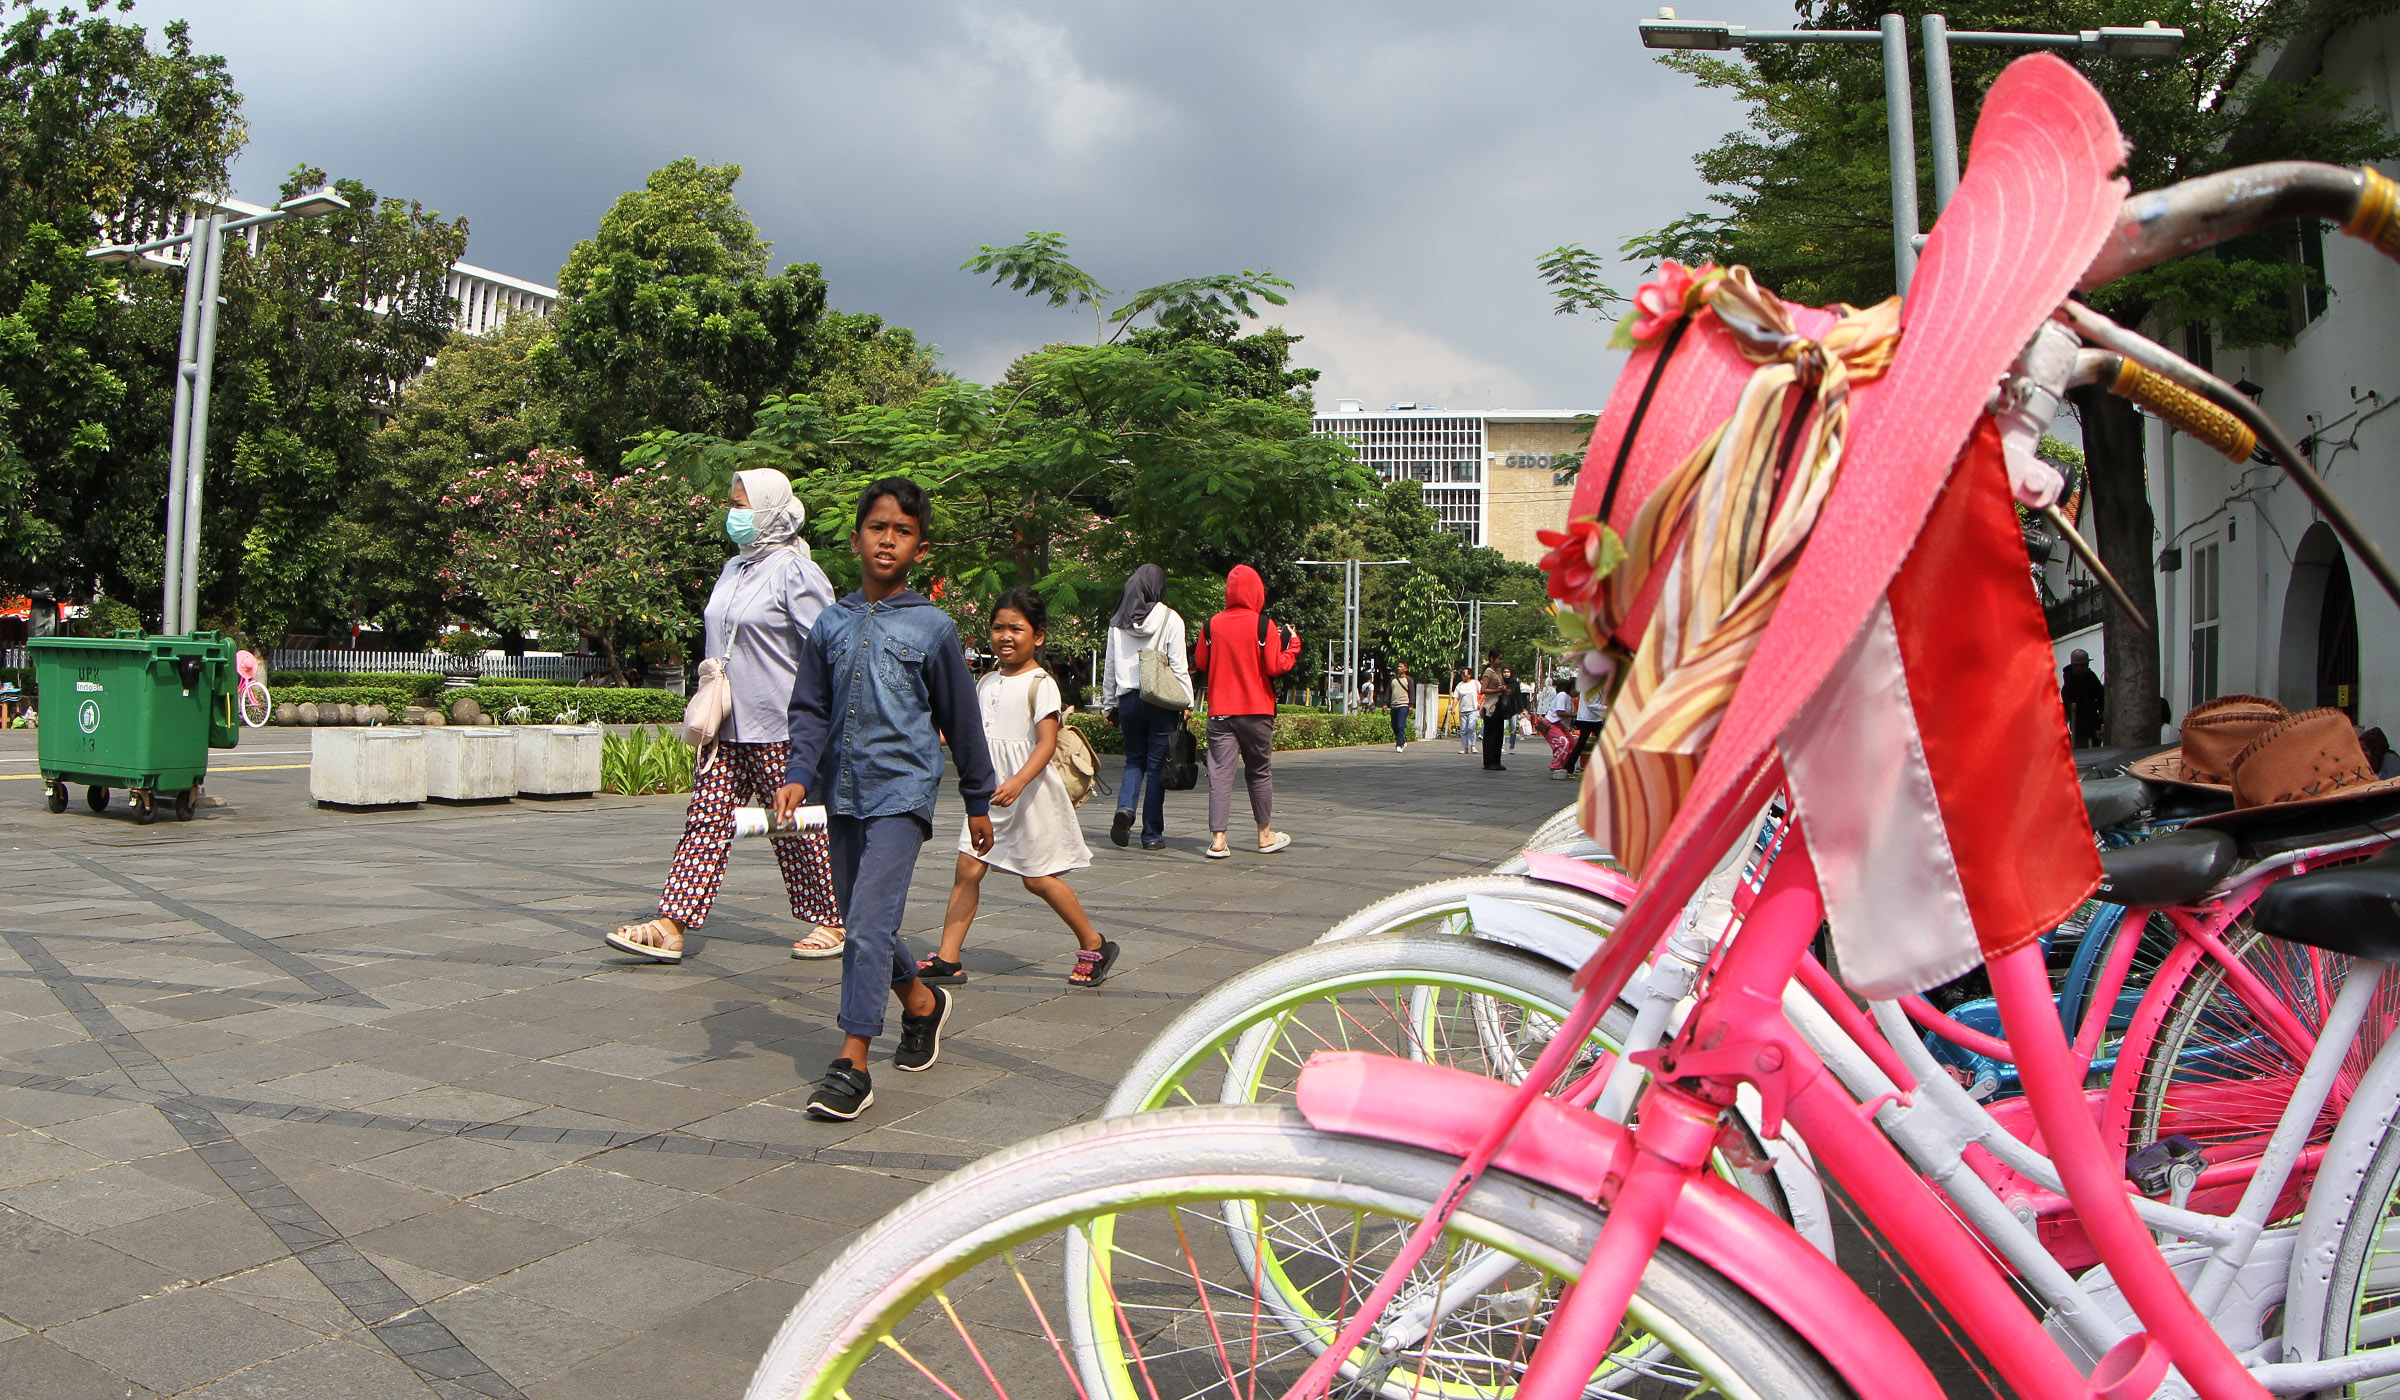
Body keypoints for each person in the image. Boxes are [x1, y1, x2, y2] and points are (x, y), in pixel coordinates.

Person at [775, 478, 998, 1122]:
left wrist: (978, 800)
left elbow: (962, 720)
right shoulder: (830, 623)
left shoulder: (933, 627)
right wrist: (798, 772)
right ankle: (923, 1005)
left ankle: (852, 1064)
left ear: (918, 549)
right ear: (855, 539)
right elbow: (810, 709)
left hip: (903, 793)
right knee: (862, 921)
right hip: (841, 793)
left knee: (868, 926)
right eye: (878, 527)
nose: (887, 540)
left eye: (902, 531)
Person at [608, 468, 841, 966]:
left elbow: (830, 649)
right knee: (705, 822)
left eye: (741, 505)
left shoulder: (795, 572)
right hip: (725, 725)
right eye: (732, 504)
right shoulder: (734, 567)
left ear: (771, 511)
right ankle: (671, 926)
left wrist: (826, 721)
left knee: (793, 828)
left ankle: (835, 917)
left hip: (780, 724)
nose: (733, 514)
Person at [918, 589, 1114, 989]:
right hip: (988, 794)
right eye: (997, 628)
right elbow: (972, 731)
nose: (1005, 636)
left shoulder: (1041, 683)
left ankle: (1094, 942)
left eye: (1016, 629)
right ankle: (949, 959)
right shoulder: (986, 681)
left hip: (1028, 797)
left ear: (1037, 636)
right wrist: (926, 736)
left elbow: (1046, 743)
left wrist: (1019, 781)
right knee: (968, 870)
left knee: (1037, 878)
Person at [1191, 563, 1300, 858]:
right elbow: (1276, 666)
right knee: (1259, 772)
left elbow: (1201, 662)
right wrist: (1292, 645)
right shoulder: (1264, 625)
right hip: (1257, 711)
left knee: (1220, 774)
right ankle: (1265, 836)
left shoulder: (1211, 625)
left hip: (1220, 711)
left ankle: (1218, 840)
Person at [1100, 564, 1189, 852]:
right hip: (1161, 702)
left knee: (1134, 761)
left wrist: (1109, 704)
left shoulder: (1117, 622)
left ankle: (1125, 808)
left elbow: (1110, 668)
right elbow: (1178, 666)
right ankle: (1151, 834)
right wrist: (1186, 701)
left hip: (1128, 701)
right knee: (1155, 767)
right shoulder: (1171, 619)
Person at [2061, 649, 2105, 748]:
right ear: (2075, 666)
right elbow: (2076, 716)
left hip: (2095, 724)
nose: (2086, 668)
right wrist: (2092, 731)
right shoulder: (2068, 688)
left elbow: (2101, 696)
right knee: (2083, 752)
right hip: (2080, 731)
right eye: (2083, 666)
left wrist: (2102, 717)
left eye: (2086, 665)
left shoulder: (2090, 677)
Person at [1542, 676, 1580, 778]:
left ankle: (1566, 765)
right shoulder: (1562, 696)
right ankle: (1556, 766)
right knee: (1563, 742)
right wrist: (1575, 715)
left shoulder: (1570, 699)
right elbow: (1560, 713)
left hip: (1561, 726)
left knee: (1573, 744)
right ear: (1573, 687)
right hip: (1551, 723)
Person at [1479, 650, 1510, 771]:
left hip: (1499, 706)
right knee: (1490, 735)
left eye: (1502, 659)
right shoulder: (1488, 672)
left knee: (1498, 735)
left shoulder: (1498, 672)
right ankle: (1489, 761)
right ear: (1492, 659)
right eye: (1499, 659)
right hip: (1491, 706)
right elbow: (1483, 689)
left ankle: (1497, 760)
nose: (1501, 661)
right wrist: (1498, 690)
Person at [1568, 683, 1607, 775]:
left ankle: (1569, 766)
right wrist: (1607, 708)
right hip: (1589, 719)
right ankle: (1569, 766)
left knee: (1581, 743)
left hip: (1592, 718)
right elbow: (1591, 705)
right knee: (1583, 743)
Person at [1454, 668, 1481, 754]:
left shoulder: (1475, 683)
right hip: (1463, 710)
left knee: (1471, 727)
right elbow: (1456, 697)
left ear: (1469, 675)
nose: (1462, 675)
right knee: (1463, 730)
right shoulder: (1460, 685)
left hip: (1473, 709)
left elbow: (1482, 693)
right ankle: (1465, 748)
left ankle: (1473, 745)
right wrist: (1453, 707)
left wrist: (1480, 703)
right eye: (1462, 674)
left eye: (1464, 673)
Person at [1388, 662, 1414, 752]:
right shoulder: (1393, 679)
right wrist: (1385, 703)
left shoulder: (1408, 680)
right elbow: (1388, 691)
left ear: (1406, 669)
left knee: (1400, 725)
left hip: (1403, 705)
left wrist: (1411, 705)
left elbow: (1412, 692)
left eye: (1401, 667)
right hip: (1394, 705)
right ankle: (1402, 741)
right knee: (1394, 725)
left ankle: (1399, 744)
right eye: (1398, 666)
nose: (1399, 668)